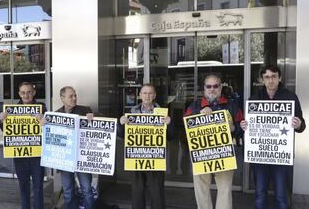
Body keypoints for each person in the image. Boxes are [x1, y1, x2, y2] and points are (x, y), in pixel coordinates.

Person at [240, 65, 305, 209]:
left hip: (281, 156)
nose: (271, 80)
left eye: (274, 76)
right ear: (262, 80)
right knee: (260, 194)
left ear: (279, 78)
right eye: (267, 77)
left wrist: (298, 124)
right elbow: (248, 127)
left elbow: (302, 126)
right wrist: (244, 126)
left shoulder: (290, 98)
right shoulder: (254, 99)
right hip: (260, 156)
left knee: (281, 196)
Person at [185, 74, 243, 209]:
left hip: (225, 154)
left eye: (215, 86)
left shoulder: (232, 105)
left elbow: (243, 126)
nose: (212, 89)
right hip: (201, 154)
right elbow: (186, 127)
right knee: (201, 189)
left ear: (221, 87)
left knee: (225, 190)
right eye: (209, 86)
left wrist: (234, 127)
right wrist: (198, 115)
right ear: (204, 88)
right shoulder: (195, 106)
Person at [118, 83, 173, 209]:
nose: (147, 96)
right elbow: (122, 135)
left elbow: (171, 136)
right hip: (137, 157)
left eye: (150, 93)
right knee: (137, 192)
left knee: (157, 193)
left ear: (154, 95)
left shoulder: (163, 113)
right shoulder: (131, 112)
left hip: (155, 157)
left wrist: (169, 124)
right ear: (140, 95)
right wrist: (121, 124)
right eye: (144, 93)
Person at [0, 82, 46, 209]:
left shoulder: (42, 108)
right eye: (23, 92)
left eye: (29, 92)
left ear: (34, 93)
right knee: (23, 188)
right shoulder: (11, 110)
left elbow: (49, 128)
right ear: (19, 94)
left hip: (37, 156)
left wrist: (45, 121)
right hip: (20, 156)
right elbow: (5, 130)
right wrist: (2, 120)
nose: (26, 95)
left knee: (38, 188)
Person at [56, 86, 94, 209]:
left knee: (87, 189)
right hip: (65, 158)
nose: (74, 98)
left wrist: (93, 118)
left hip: (82, 157)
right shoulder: (56, 115)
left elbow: (100, 123)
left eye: (75, 95)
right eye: (70, 96)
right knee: (67, 190)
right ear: (62, 98)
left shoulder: (85, 110)